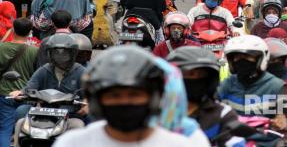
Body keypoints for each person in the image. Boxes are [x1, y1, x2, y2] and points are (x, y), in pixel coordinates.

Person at [53, 46, 193, 147]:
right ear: (98, 101)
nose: (125, 102)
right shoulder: (72, 143)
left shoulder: (180, 144)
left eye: (134, 94)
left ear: (154, 98)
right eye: (114, 95)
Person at [11, 34, 87, 144]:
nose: (60, 56)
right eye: (56, 52)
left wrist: (87, 102)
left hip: (70, 116)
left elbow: (91, 93)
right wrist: (20, 93)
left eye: (64, 52)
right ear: (50, 53)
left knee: (80, 126)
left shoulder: (81, 71)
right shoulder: (44, 70)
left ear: (73, 53)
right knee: (21, 114)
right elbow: (29, 88)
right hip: (42, 114)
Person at [167, 46, 243, 146]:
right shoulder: (156, 112)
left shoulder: (223, 114)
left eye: (201, 75)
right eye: (190, 74)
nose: (196, 79)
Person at [219, 35, 287, 130]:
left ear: (260, 58)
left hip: (263, 141)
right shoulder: (228, 83)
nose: (242, 61)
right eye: (237, 56)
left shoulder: (276, 86)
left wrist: (279, 121)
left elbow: (282, 118)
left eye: (247, 56)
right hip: (230, 139)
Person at [0, 18, 38, 147]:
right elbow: (37, 74)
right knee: (28, 129)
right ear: (30, 32)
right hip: (25, 95)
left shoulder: (2, 48)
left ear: (13, 30)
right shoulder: (34, 51)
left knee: (5, 129)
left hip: (5, 93)